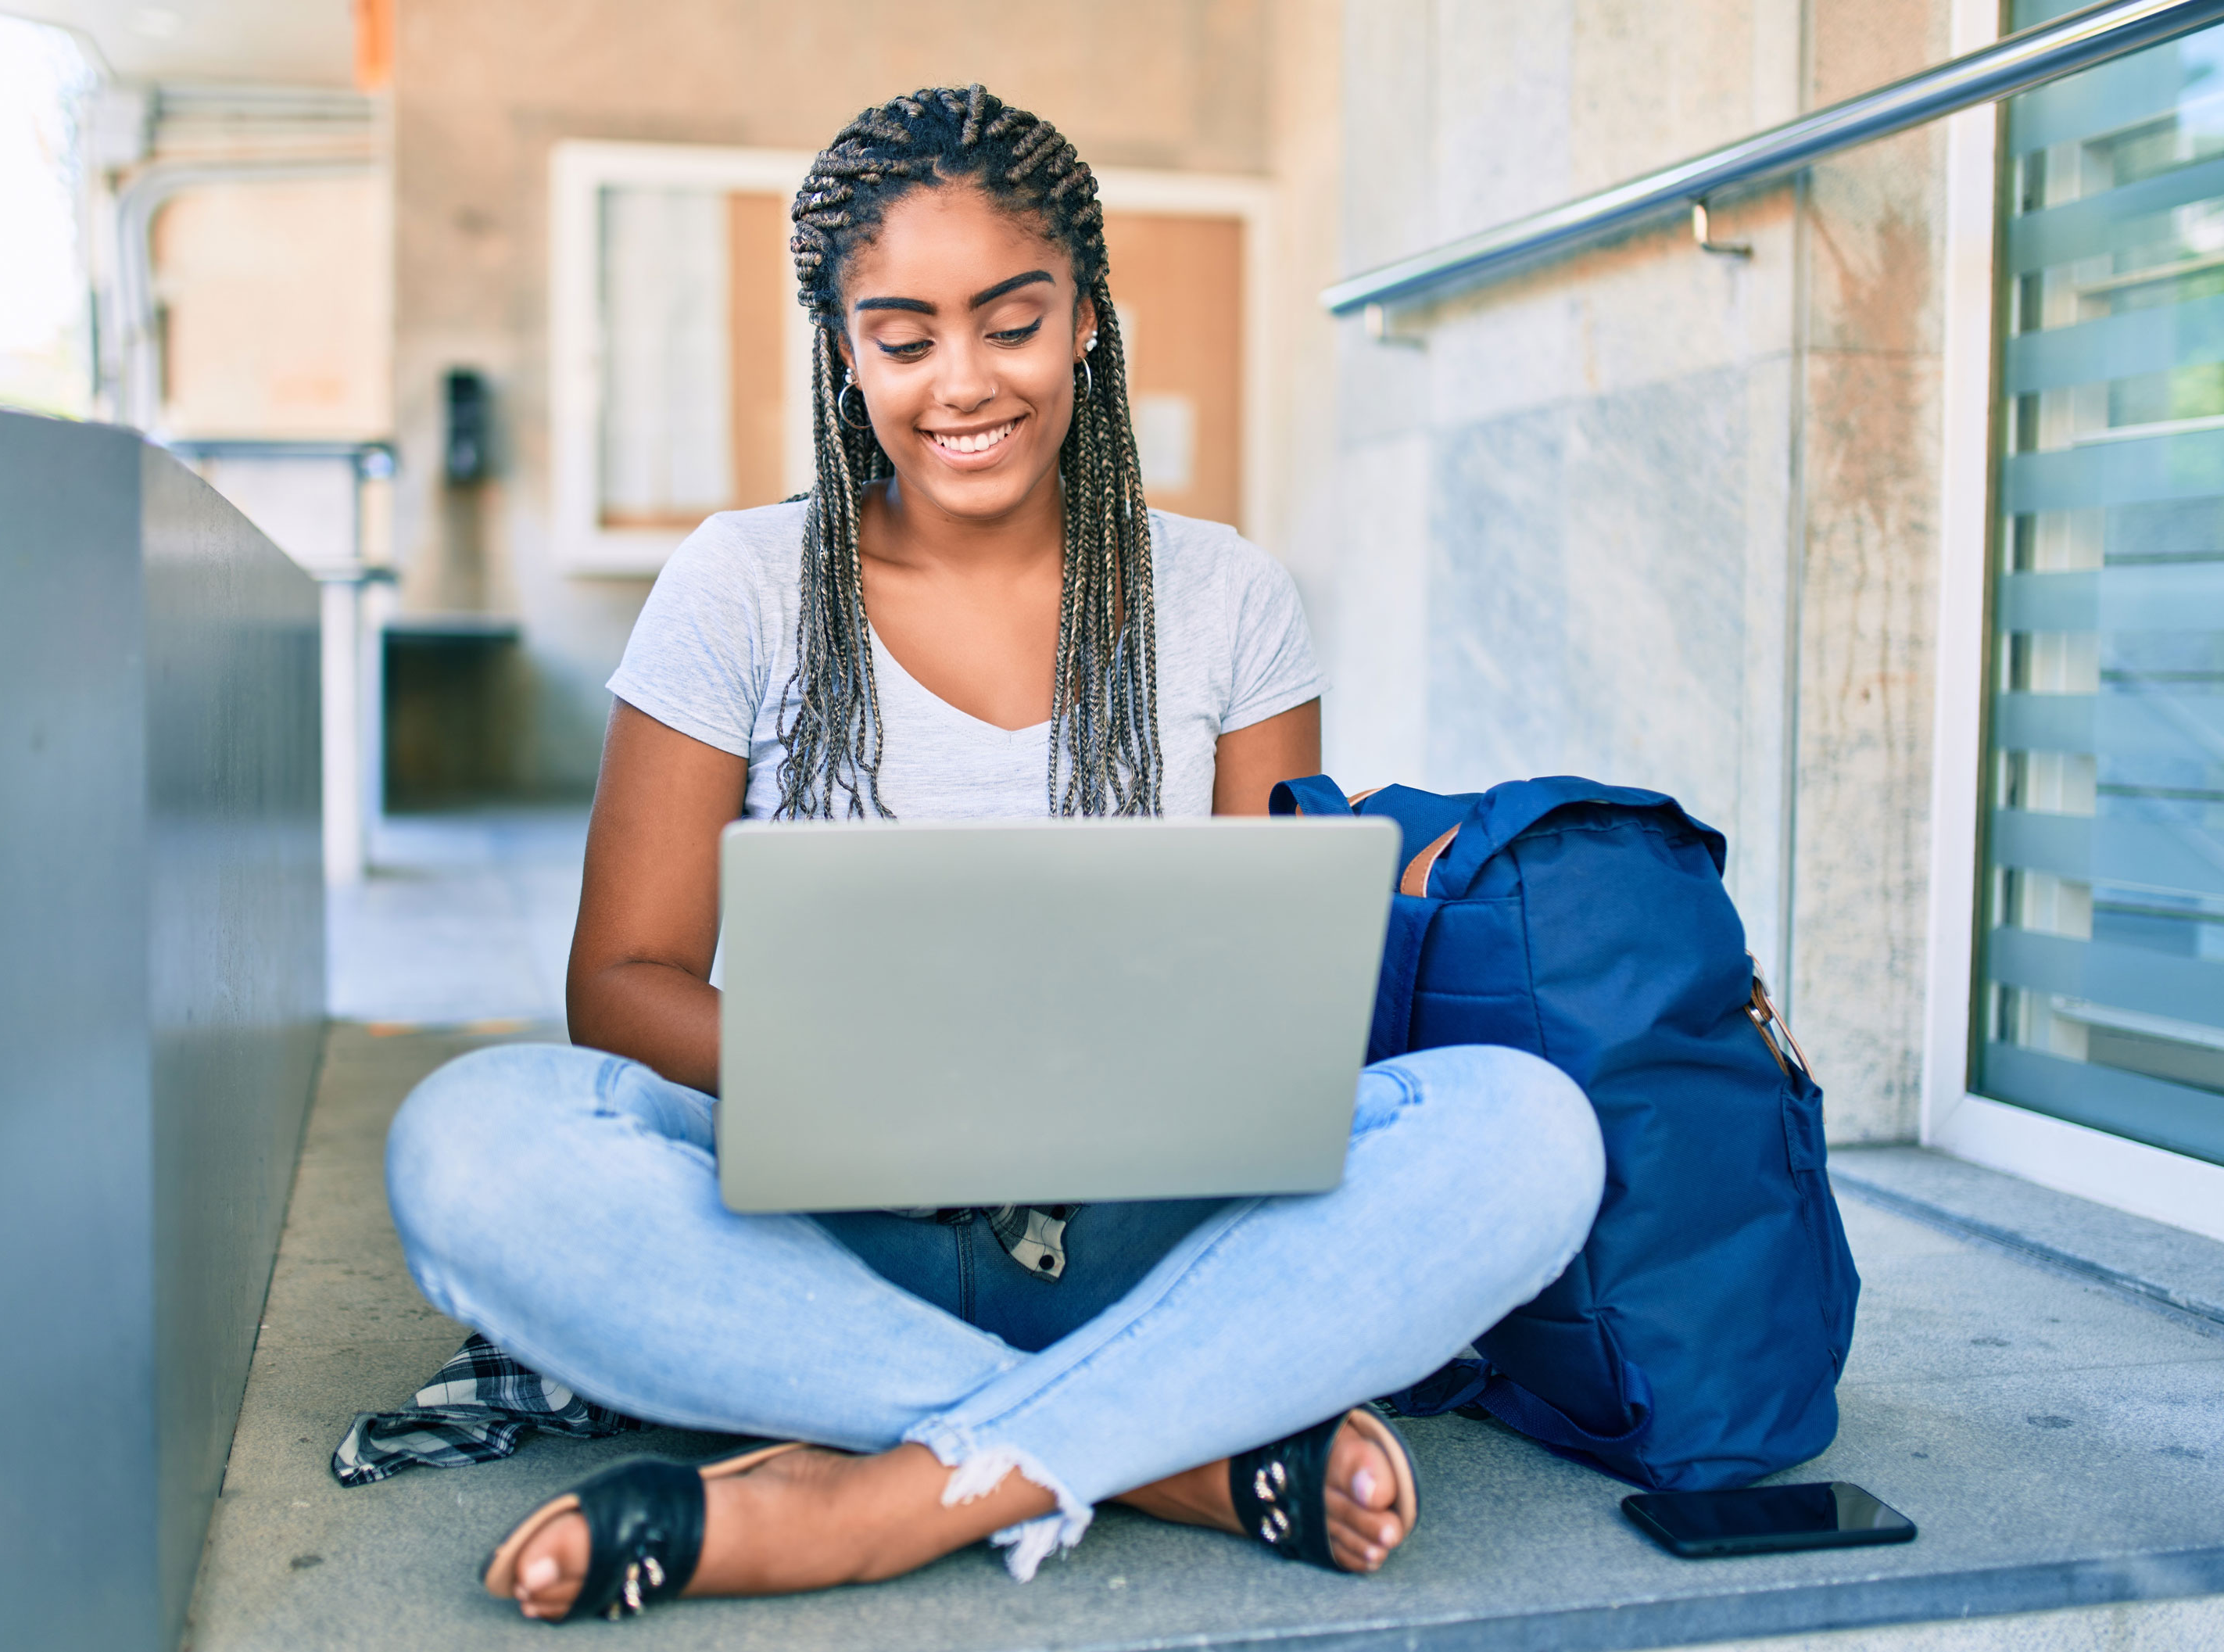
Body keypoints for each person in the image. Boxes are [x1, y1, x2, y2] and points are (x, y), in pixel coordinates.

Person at [385, 86, 1605, 1625]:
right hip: (817, 1225)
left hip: (1148, 1225)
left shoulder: (1230, 598)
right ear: (844, 351)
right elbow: (621, 986)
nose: (963, 382)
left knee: (1529, 1128)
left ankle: (875, 1499)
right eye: (902, 338)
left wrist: (1110, 1104)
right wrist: (882, 1093)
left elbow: (1287, 1007)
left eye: (1010, 322)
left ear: (1087, 317)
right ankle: (1163, 1452)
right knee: (470, 1140)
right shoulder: (741, 585)